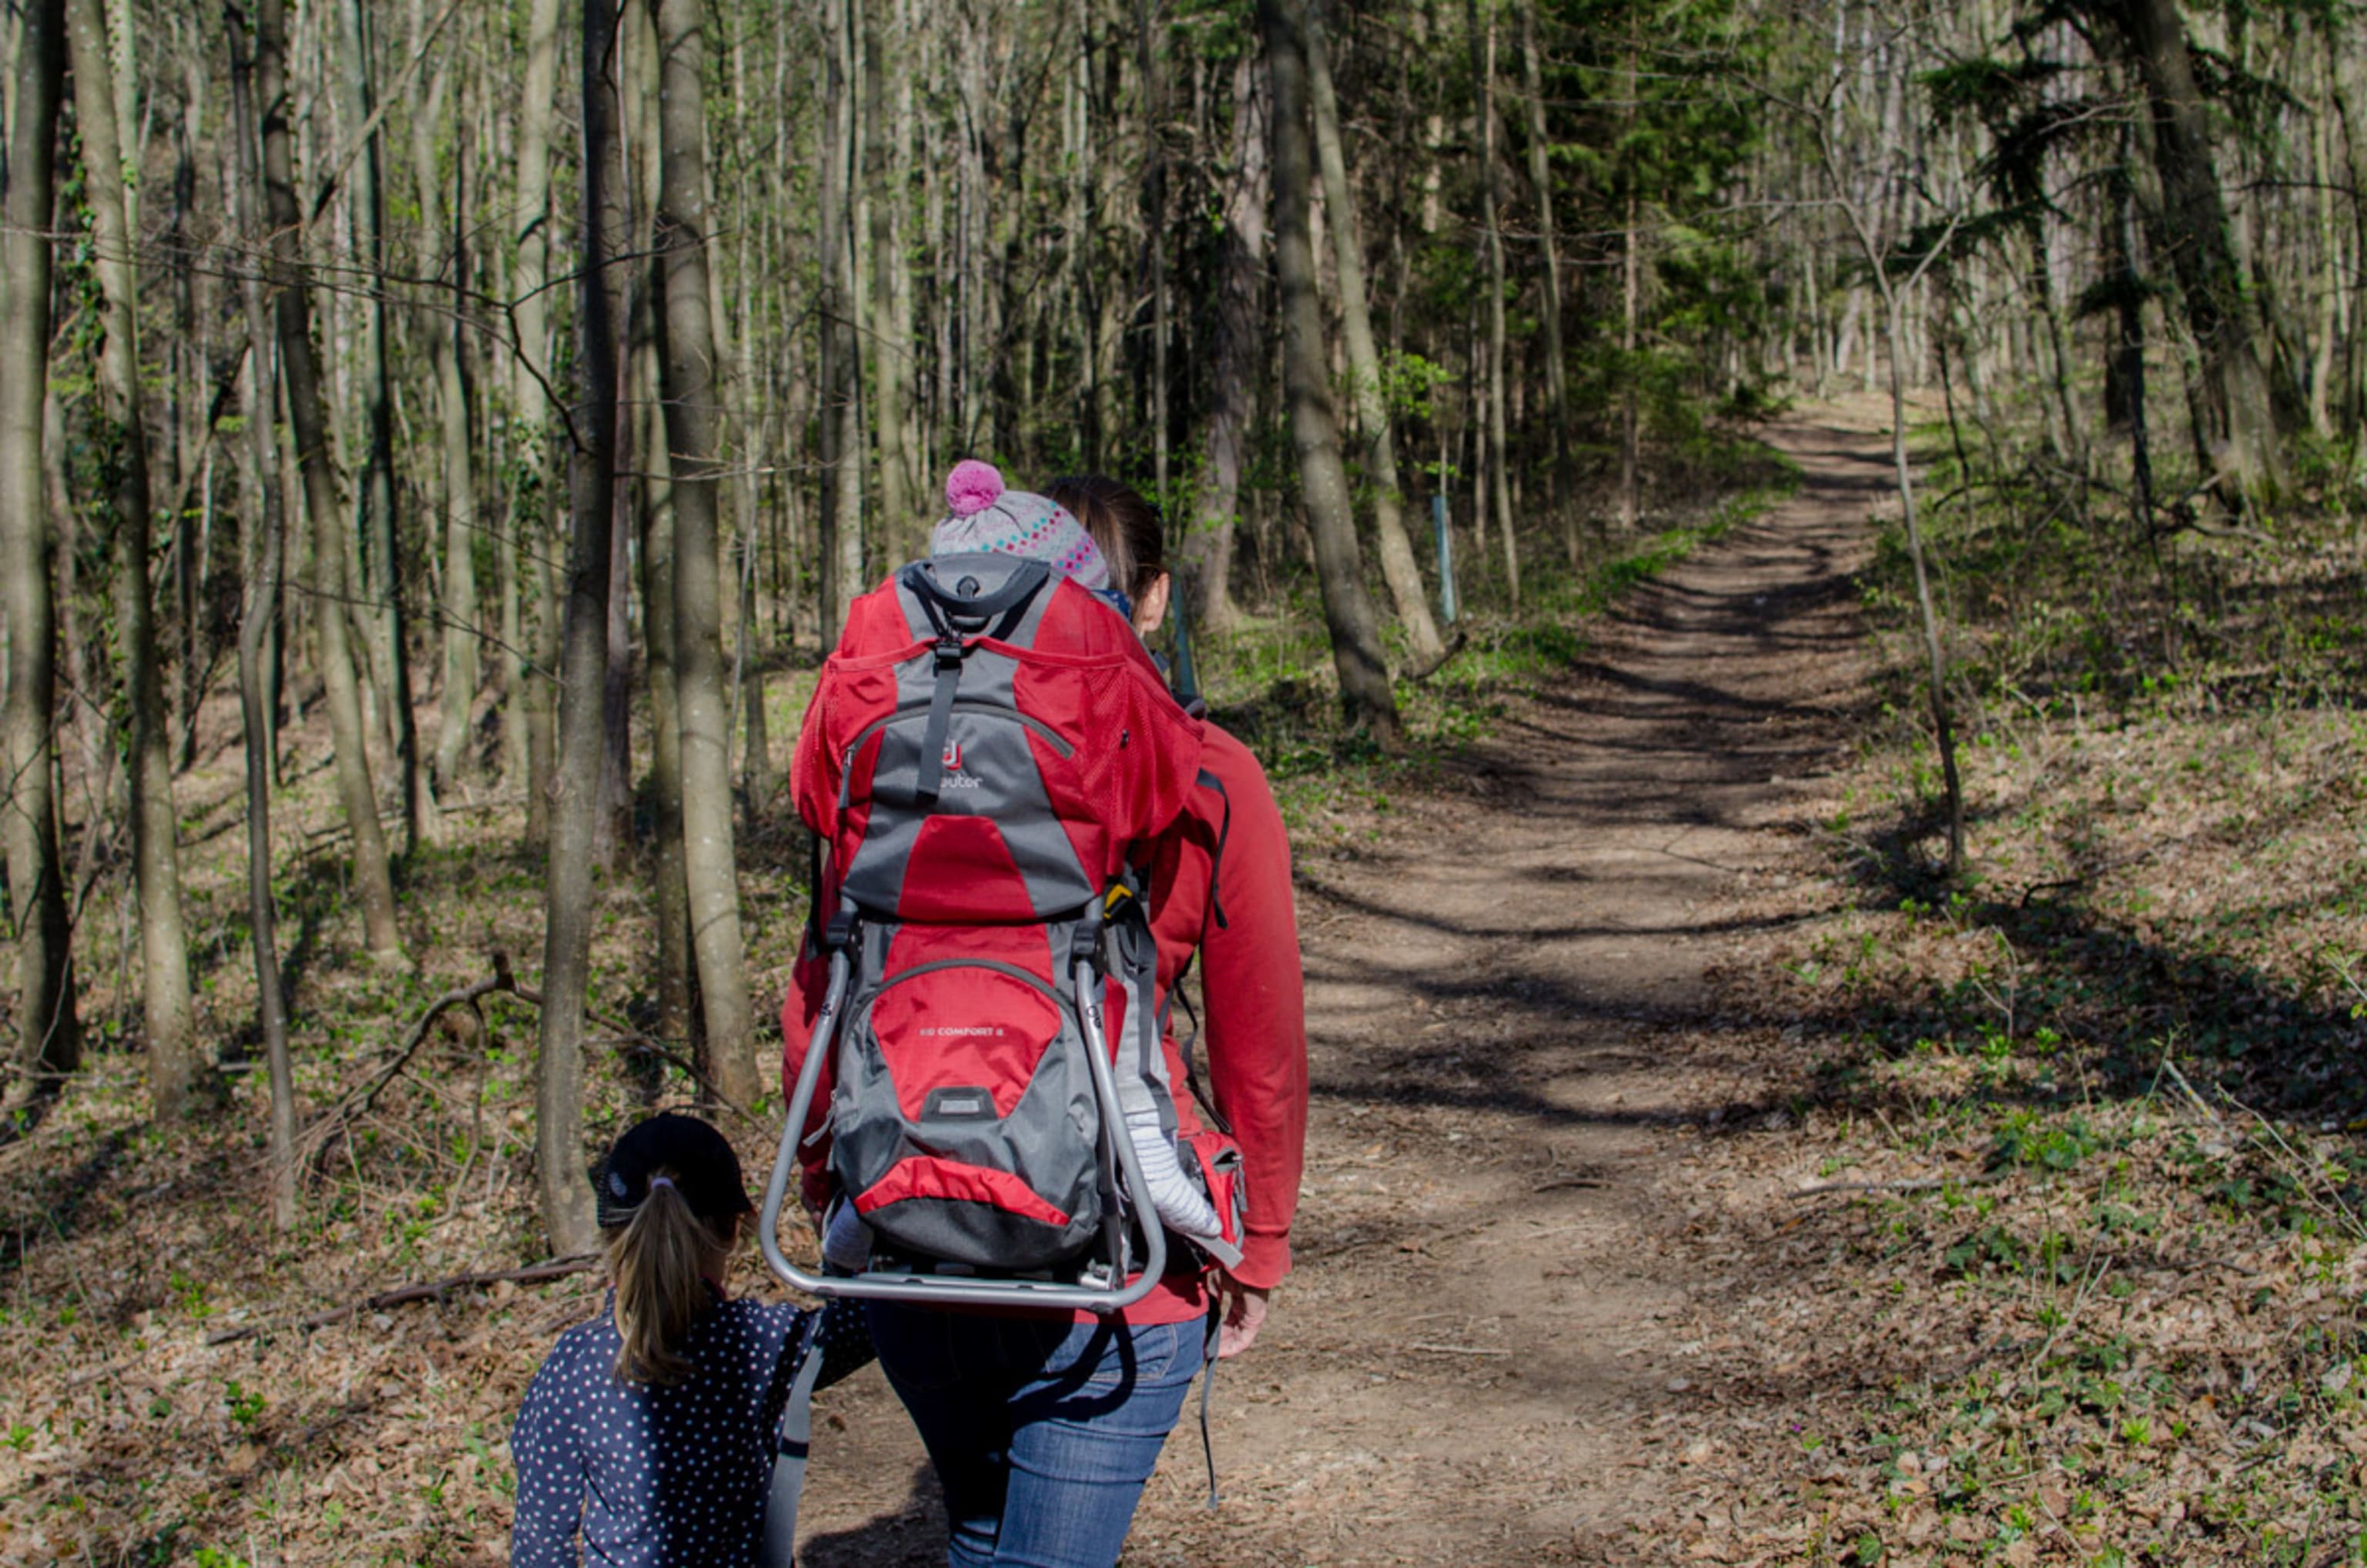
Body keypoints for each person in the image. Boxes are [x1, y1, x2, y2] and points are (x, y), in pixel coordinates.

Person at [783, 471, 1309, 1568]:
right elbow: (1260, 1039)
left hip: (909, 1233)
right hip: (1119, 1266)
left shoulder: (898, 757)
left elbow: (819, 997)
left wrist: (840, 1193)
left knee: (980, 1531)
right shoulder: (1208, 772)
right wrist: (1257, 1244)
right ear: (1149, 598)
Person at [509, 1113, 870, 1566]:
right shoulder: (759, 1341)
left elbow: (540, 1546)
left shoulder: (574, 1366)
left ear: (612, 1236)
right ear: (735, 1230)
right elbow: (872, 1314)